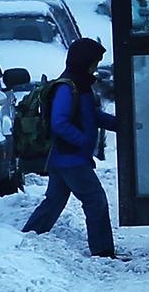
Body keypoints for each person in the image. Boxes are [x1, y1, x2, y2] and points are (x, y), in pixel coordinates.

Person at [22, 38, 120, 258]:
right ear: (83, 61)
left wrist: (122, 125)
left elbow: (90, 116)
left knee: (53, 202)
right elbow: (60, 123)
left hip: (64, 158)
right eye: (93, 62)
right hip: (71, 159)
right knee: (95, 200)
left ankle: (27, 240)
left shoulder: (80, 86)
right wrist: (83, 141)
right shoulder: (68, 88)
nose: (95, 68)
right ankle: (102, 251)